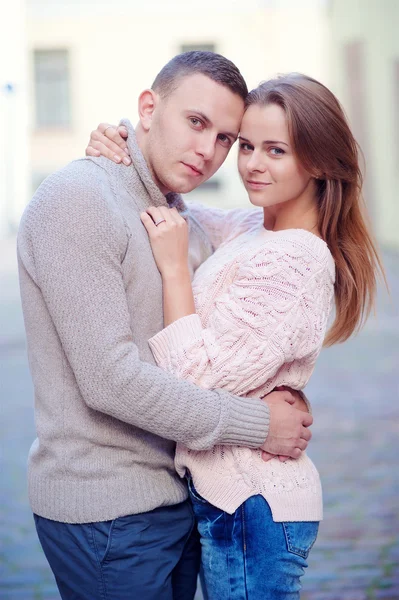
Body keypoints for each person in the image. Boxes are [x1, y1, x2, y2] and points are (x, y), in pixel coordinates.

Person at [17, 52, 313, 600]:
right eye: (196, 122)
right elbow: (110, 379)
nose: (209, 151)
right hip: (107, 510)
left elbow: (274, 224)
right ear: (148, 108)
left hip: (175, 500)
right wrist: (258, 423)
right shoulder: (79, 199)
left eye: (227, 138)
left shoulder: (174, 210)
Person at [86, 72, 384, 599]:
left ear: (316, 161)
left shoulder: (297, 258)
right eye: (246, 146)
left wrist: (176, 271)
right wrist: (120, 144)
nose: (252, 163)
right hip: (231, 499)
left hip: (254, 505)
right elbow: (169, 206)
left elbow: (195, 380)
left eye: (276, 150)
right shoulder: (255, 228)